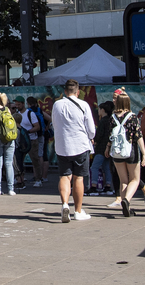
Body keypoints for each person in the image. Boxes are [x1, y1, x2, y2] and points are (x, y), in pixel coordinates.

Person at [51, 79, 95, 223]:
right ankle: (78, 211)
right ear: (77, 92)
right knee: (79, 178)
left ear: (64, 91)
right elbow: (91, 130)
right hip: (79, 145)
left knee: (64, 176)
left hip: (62, 146)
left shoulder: (57, 105)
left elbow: (54, 124)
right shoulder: (83, 105)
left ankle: (64, 204)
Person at [106, 90, 145, 217]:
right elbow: (138, 136)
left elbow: (110, 135)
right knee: (134, 179)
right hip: (131, 150)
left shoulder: (112, 117)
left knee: (123, 180)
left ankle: (125, 207)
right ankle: (127, 200)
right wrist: (144, 153)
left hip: (116, 151)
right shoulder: (132, 117)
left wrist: (107, 148)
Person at [21, 96, 49, 187]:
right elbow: (50, 119)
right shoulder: (39, 110)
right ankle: (41, 177)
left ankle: (35, 176)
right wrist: (47, 127)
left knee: (28, 158)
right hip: (40, 135)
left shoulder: (28, 112)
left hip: (31, 137)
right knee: (40, 156)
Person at [89, 101, 115, 197]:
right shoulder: (111, 120)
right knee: (107, 167)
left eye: (99, 109)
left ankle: (94, 186)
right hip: (109, 148)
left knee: (94, 167)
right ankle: (108, 186)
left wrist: (94, 141)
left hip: (101, 148)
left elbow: (99, 135)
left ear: (103, 110)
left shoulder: (103, 121)